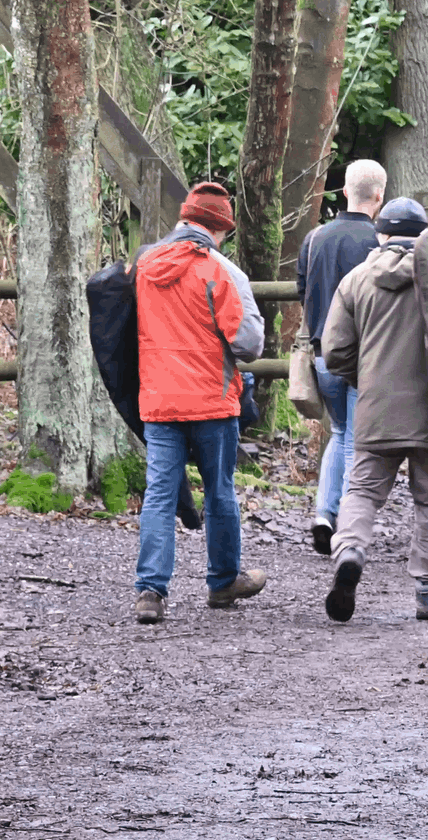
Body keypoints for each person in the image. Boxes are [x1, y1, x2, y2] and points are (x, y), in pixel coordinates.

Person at [321, 198, 428, 622]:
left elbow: (335, 351)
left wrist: (368, 379)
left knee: (361, 489)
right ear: (424, 235)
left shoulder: (357, 279)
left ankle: (351, 551)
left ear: (381, 235)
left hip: (375, 408)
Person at [131, 181, 268, 625]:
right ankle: (223, 580)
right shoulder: (219, 271)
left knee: (159, 495)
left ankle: (150, 592)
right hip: (212, 401)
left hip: (158, 399)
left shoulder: (142, 265)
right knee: (219, 491)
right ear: (218, 229)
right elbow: (248, 344)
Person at [294, 159, 384, 555]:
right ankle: (348, 524)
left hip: (321, 353)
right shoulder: (378, 244)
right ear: (379, 196)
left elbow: (302, 291)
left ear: (345, 191)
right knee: (355, 440)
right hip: (363, 357)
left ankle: (323, 514)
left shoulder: (315, 238)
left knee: (340, 432)